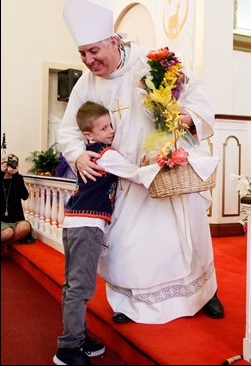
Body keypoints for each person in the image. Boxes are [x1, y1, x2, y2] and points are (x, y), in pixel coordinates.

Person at [58, 0, 224, 326]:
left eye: (94, 51)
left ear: (113, 40)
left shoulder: (153, 63)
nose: (89, 61)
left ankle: (204, 293)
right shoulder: (85, 85)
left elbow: (198, 90)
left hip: (165, 170)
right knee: (129, 245)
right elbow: (68, 130)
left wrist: (187, 116)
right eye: (82, 54)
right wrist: (78, 156)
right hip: (124, 181)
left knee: (186, 235)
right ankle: (129, 301)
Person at [54, 101, 159, 366]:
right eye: (103, 128)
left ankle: (78, 336)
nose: (111, 131)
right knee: (80, 288)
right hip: (86, 226)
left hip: (74, 223)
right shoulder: (105, 154)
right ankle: (68, 348)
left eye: (110, 125)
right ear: (88, 135)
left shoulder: (91, 153)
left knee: (73, 286)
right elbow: (134, 173)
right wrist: (163, 164)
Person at [1, 153, 35, 248]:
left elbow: (24, 196)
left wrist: (16, 175)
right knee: (7, 233)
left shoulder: (18, 178)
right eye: (9, 161)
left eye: (14, 162)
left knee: (25, 227)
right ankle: (5, 242)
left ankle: (4, 245)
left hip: (16, 220)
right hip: (2, 221)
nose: (11, 164)